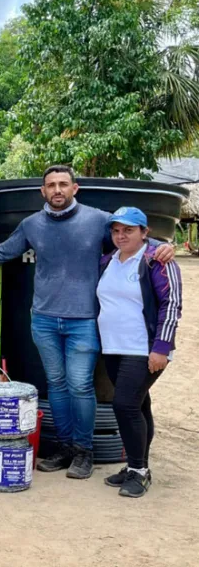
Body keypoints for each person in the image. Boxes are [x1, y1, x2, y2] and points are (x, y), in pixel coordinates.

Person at [0, 165, 175, 479]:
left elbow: (130, 240)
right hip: (43, 319)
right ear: (43, 191)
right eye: (51, 185)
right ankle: (65, 447)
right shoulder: (32, 224)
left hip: (83, 321)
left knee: (80, 386)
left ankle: (84, 451)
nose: (57, 190)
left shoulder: (98, 220)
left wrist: (161, 247)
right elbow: (3, 251)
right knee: (56, 385)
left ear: (75, 188)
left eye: (63, 184)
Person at [96, 207, 181, 498]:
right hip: (113, 347)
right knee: (139, 405)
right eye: (116, 231)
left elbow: (171, 304)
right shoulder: (108, 261)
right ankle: (136, 466)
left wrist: (162, 347)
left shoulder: (156, 260)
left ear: (144, 232)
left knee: (125, 405)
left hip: (143, 348)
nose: (121, 236)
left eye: (129, 230)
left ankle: (139, 471)